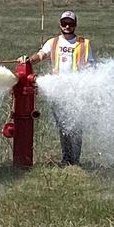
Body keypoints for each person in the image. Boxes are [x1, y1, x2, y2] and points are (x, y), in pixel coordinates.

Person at [20, 11, 93, 163]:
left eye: (70, 23)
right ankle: (66, 159)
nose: (67, 26)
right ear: (60, 24)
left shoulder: (84, 43)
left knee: (76, 126)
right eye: (64, 23)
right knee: (63, 126)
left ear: (75, 25)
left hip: (76, 91)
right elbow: (41, 55)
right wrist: (28, 60)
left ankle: (75, 160)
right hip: (58, 91)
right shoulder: (53, 42)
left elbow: (91, 67)